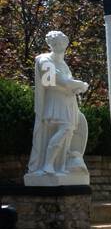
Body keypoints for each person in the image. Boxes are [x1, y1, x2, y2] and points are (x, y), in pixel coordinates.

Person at [26, 31, 89, 184]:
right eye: (54, 43)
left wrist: (75, 86)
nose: (58, 46)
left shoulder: (63, 64)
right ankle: (47, 164)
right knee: (65, 128)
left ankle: (60, 167)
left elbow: (67, 83)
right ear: (50, 44)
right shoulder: (44, 60)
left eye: (60, 42)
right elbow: (56, 81)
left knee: (68, 133)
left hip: (68, 102)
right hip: (55, 101)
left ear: (65, 44)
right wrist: (79, 85)